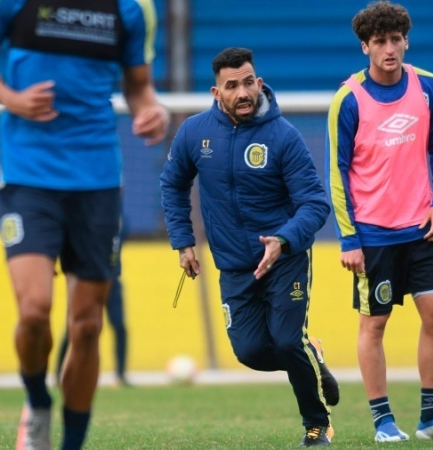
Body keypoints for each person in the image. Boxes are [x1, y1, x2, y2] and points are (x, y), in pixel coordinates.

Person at [0, 0, 169, 448]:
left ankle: (72, 444)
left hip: (96, 180)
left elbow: (139, 87)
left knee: (88, 326)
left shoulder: (133, 10)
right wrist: (13, 100)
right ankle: (37, 401)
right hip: (28, 176)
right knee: (35, 309)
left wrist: (151, 110)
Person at [161, 47, 339, 448]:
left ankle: (316, 424)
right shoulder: (194, 133)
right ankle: (314, 356)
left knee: (287, 340)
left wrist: (283, 239)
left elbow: (315, 202)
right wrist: (183, 241)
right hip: (235, 266)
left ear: (258, 82)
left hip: (285, 260)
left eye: (248, 82)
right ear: (216, 92)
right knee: (251, 352)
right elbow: (172, 185)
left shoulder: (284, 137)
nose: (243, 92)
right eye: (232, 86)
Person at [325, 1, 433, 442]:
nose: (389, 49)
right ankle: (382, 420)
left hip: (421, 226)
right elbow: (336, 171)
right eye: (380, 42)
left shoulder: (429, 88)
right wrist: (348, 238)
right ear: (365, 47)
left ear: (406, 41)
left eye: (396, 40)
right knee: (375, 324)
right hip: (373, 234)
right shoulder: (348, 99)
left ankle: (432, 418)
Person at [56, 234, 130, 387]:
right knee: (74, 326)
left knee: (119, 325)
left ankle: (120, 375)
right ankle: (58, 374)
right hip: (87, 278)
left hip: (112, 278)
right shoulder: (85, 217)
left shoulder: (118, 219)